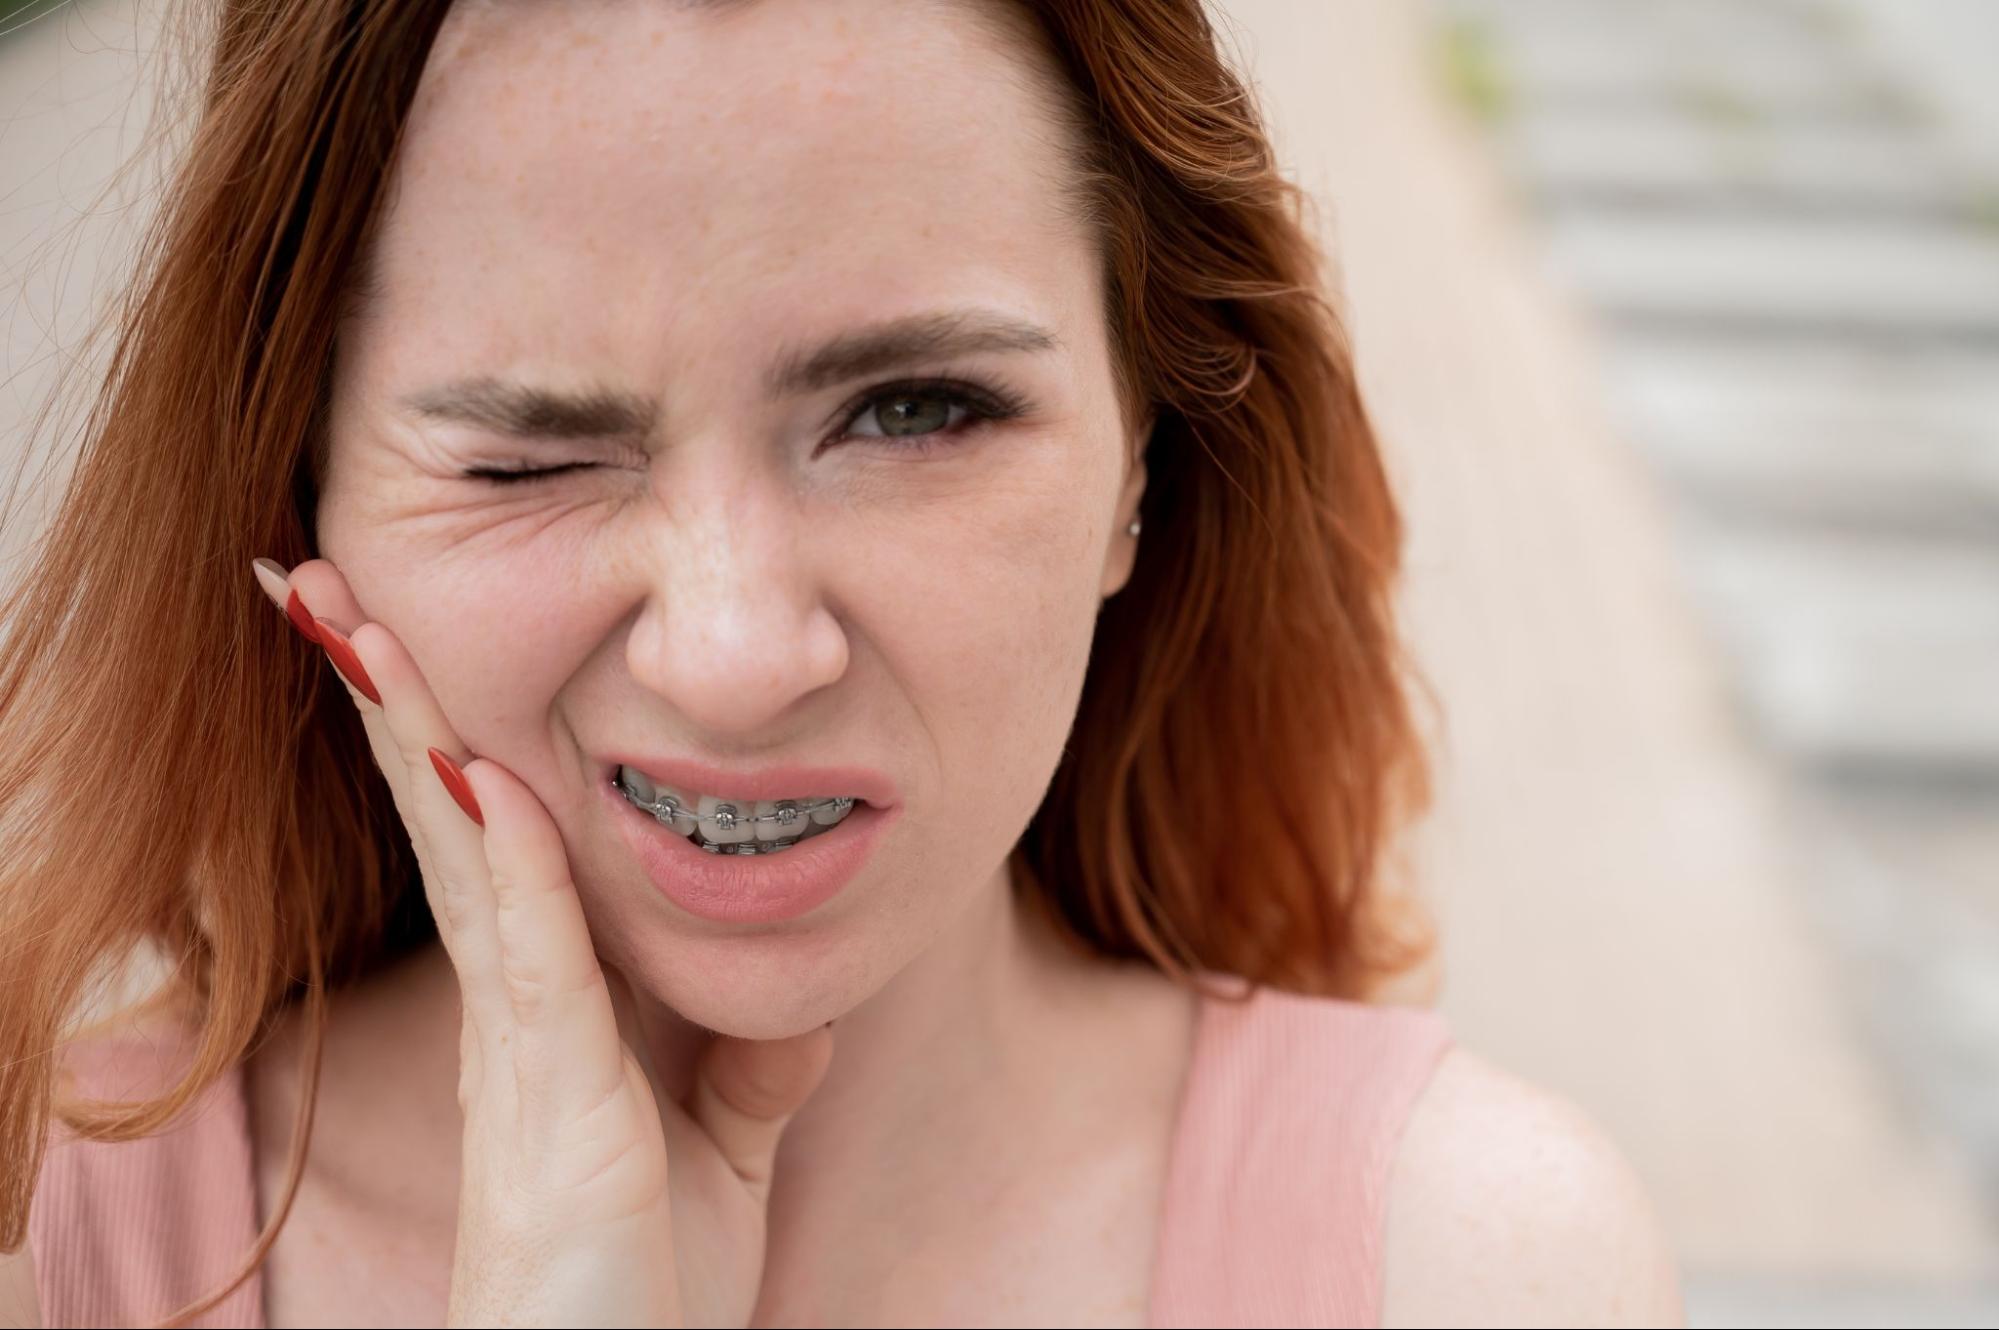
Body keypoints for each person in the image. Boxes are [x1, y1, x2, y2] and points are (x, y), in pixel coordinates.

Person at [0, 0, 1683, 1325]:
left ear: (1142, 467)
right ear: (307, 502)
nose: (735, 656)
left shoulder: (1471, 1266)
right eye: (531, 457)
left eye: (917, 411)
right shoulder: (41, 1228)